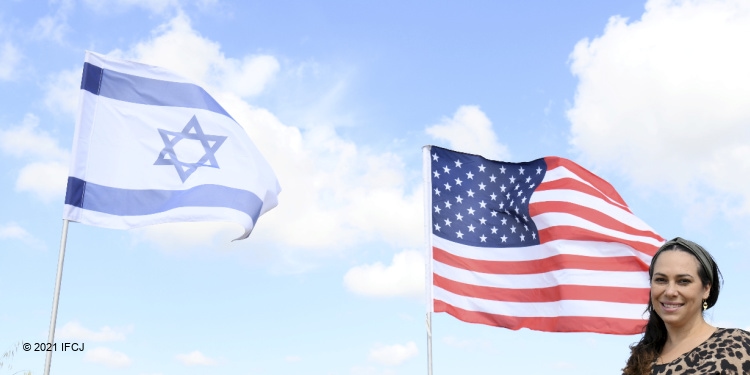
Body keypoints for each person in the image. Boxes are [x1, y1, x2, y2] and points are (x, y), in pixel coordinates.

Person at [622, 237, 750, 375]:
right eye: (661, 280)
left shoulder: (739, 345)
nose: (670, 291)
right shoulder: (639, 362)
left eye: (683, 281)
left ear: (706, 289)